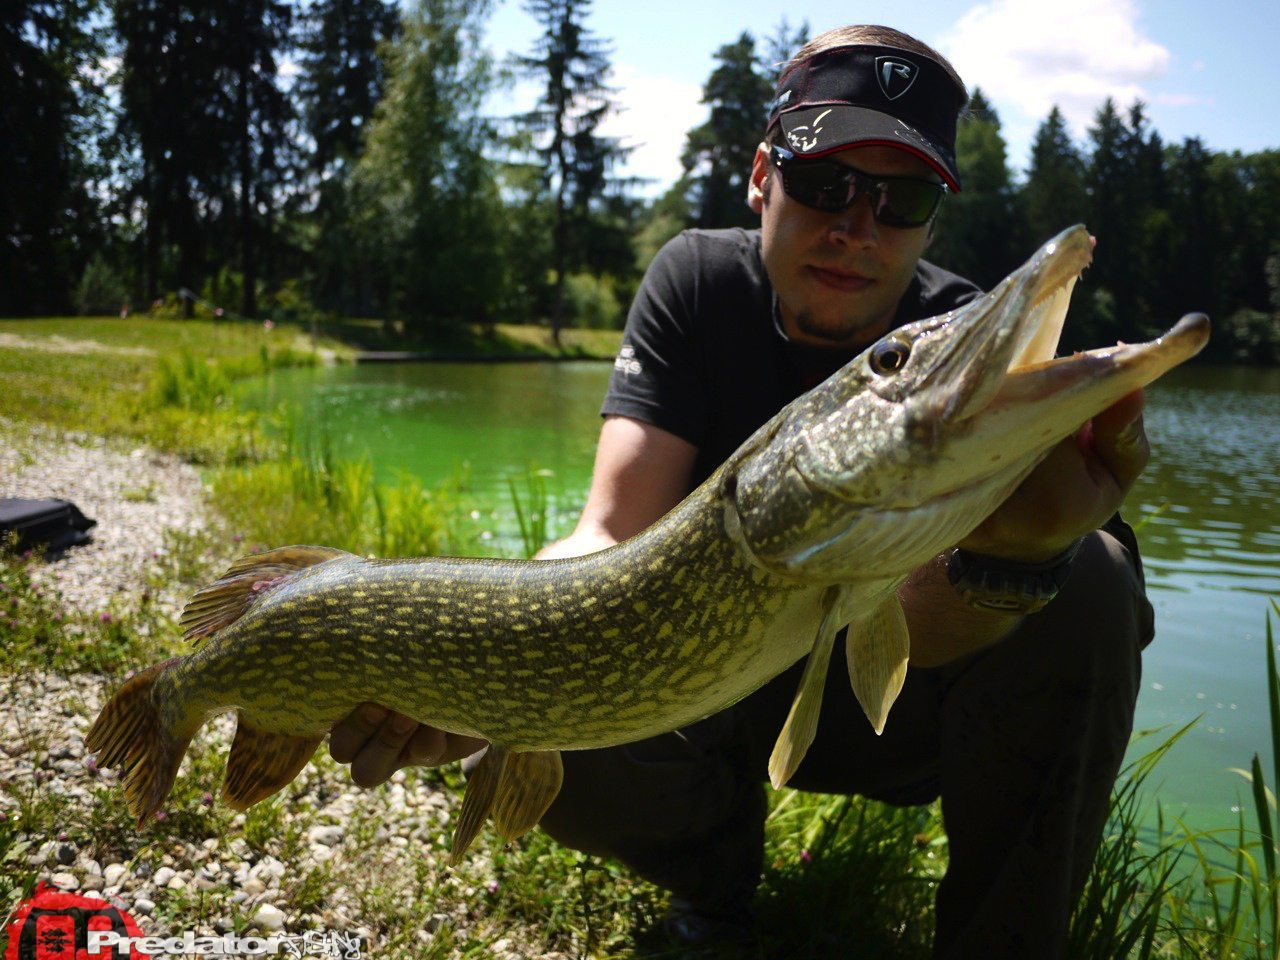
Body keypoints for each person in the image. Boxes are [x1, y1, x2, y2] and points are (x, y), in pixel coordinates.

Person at [327, 24, 1154, 959]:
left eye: (904, 200)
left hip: (895, 705)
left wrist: (1015, 557)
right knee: (563, 708)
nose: (856, 228)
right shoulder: (696, 281)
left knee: (1090, 580)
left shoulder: (957, 346)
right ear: (764, 176)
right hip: (699, 693)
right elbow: (609, 530)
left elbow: (922, 636)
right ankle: (717, 890)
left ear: (932, 224)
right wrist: (479, 670)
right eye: (825, 182)